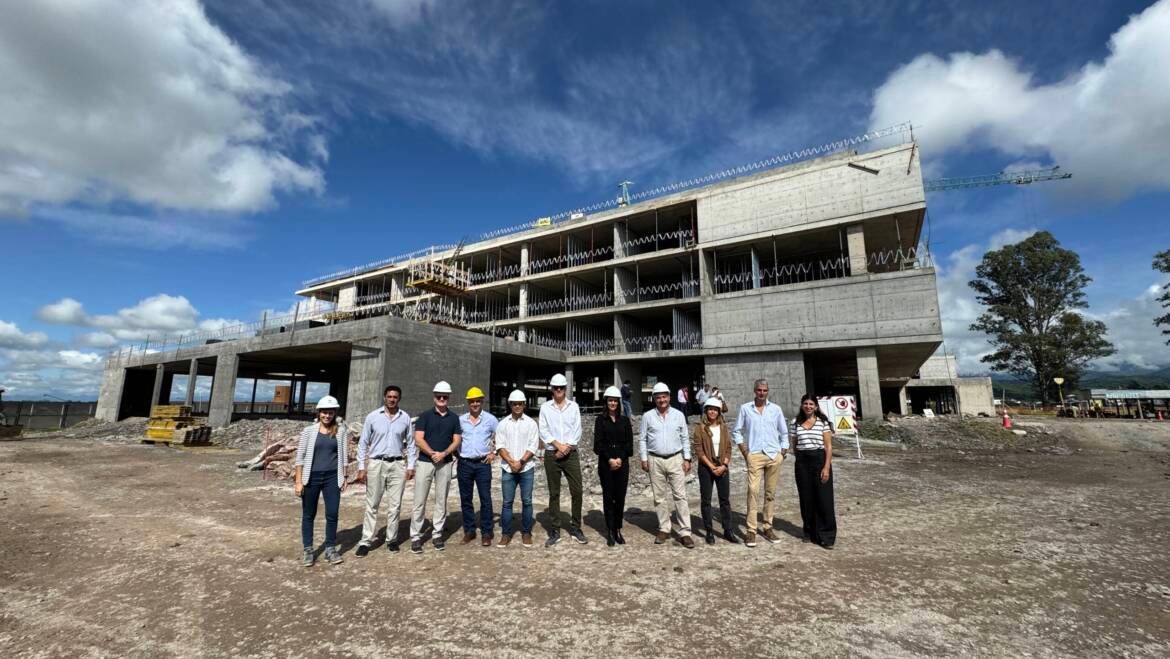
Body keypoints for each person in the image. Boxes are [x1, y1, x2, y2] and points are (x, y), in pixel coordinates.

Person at [355, 385, 416, 556]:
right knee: (372, 504)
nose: (392, 399)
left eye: (395, 397)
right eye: (389, 396)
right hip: (377, 463)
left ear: (399, 399)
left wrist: (411, 466)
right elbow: (363, 443)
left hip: (397, 465)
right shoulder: (373, 417)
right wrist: (362, 466)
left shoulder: (405, 418)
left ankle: (392, 539)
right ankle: (366, 541)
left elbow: (411, 444)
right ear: (384, 397)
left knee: (395, 505)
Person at [732, 379, 789, 548]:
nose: (762, 393)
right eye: (759, 390)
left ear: (768, 391)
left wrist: (783, 452)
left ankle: (768, 526)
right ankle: (751, 530)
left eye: (764, 390)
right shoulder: (745, 409)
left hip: (773, 455)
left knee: (770, 493)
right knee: (753, 491)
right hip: (755, 455)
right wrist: (745, 452)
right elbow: (737, 431)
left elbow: (784, 432)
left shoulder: (776, 409)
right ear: (754, 391)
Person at [294, 395, 348, 567]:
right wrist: (298, 481)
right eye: (324, 412)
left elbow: (344, 457)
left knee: (332, 514)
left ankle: (330, 548)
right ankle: (308, 549)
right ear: (319, 413)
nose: (327, 415)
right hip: (311, 477)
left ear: (334, 413)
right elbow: (300, 458)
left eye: (330, 412)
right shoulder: (309, 431)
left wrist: (344, 477)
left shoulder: (340, 431)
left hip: (332, 477)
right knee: (309, 514)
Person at [409, 381, 462, 554]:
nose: (441, 399)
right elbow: (418, 439)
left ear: (448, 398)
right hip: (425, 462)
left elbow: (457, 440)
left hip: (445, 463)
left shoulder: (454, 418)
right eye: (439, 396)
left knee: (441, 500)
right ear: (434, 397)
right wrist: (433, 453)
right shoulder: (424, 416)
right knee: (419, 500)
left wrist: (444, 454)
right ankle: (416, 536)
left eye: (445, 397)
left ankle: (437, 533)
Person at [640, 382, 695, 548]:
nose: (661, 400)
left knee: (680, 496)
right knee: (659, 497)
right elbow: (642, 439)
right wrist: (644, 458)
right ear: (654, 399)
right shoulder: (647, 416)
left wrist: (687, 458)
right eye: (658, 397)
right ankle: (664, 528)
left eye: (664, 396)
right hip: (655, 459)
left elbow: (685, 438)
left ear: (669, 397)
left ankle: (685, 531)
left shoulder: (678, 415)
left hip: (675, 458)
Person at [539, 373, 586, 546]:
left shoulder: (573, 407)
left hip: (571, 453)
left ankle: (576, 527)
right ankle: (555, 529)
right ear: (551, 389)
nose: (558, 390)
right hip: (552, 454)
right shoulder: (545, 408)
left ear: (566, 389)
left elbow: (577, 430)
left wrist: (566, 448)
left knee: (577, 491)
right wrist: (558, 446)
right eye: (555, 388)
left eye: (561, 388)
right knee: (554, 493)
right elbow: (543, 430)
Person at [495, 389, 539, 547]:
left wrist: (520, 462)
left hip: (526, 468)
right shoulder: (503, 424)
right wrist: (511, 462)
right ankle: (506, 534)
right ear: (510, 405)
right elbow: (500, 446)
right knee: (507, 502)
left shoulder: (531, 424)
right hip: (508, 468)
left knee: (527, 501)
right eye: (515, 404)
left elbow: (533, 446)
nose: (517, 406)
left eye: (520, 404)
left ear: (524, 405)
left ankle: (526, 533)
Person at [792, 394, 837, 549]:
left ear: (816, 406)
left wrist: (826, 467)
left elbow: (828, 447)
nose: (808, 406)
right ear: (802, 405)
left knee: (824, 499)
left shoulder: (823, 423)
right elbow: (795, 444)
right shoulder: (795, 422)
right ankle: (809, 531)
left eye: (811, 404)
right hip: (802, 462)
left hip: (819, 460)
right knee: (806, 498)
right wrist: (800, 460)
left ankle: (826, 535)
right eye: (805, 403)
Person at [692, 397, 737, 545]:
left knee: (725, 501)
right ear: (706, 411)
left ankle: (728, 530)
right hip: (706, 468)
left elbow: (729, 448)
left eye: (715, 409)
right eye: (710, 409)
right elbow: (698, 450)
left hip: (722, 467)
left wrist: (724, 465)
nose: (712, 412)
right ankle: (709, 530)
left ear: (719, 412)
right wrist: (712, 467)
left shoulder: (723, 428)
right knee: (706, 500)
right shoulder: (700, 428)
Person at [458, 386, 498, 547]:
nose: (475, 404)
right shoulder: (460, 420)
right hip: (465, 463)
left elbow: (501, 436)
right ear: (468, 402)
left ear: (482, 401)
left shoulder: (490, 419)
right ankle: (469, 530)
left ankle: (487, 532)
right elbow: (454, 438)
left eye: (478, 401)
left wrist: (494, 452)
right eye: (472, 401)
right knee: (466, 499)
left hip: (483, 464)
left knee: (485, 499)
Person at [594, 386, 633, 547]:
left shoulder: (625, 421)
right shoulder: (600, 420)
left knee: (620, 497)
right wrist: (610, 459)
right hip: (606, 464)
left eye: (615, 401)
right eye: (610, 400)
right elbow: (598, 445)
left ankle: (617, 529)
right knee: (608, 497)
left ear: (619, 402)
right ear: (606, 402)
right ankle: (610, 530)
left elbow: (629, 445)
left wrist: (620, 459)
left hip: (622, 464)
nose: (613, 403)